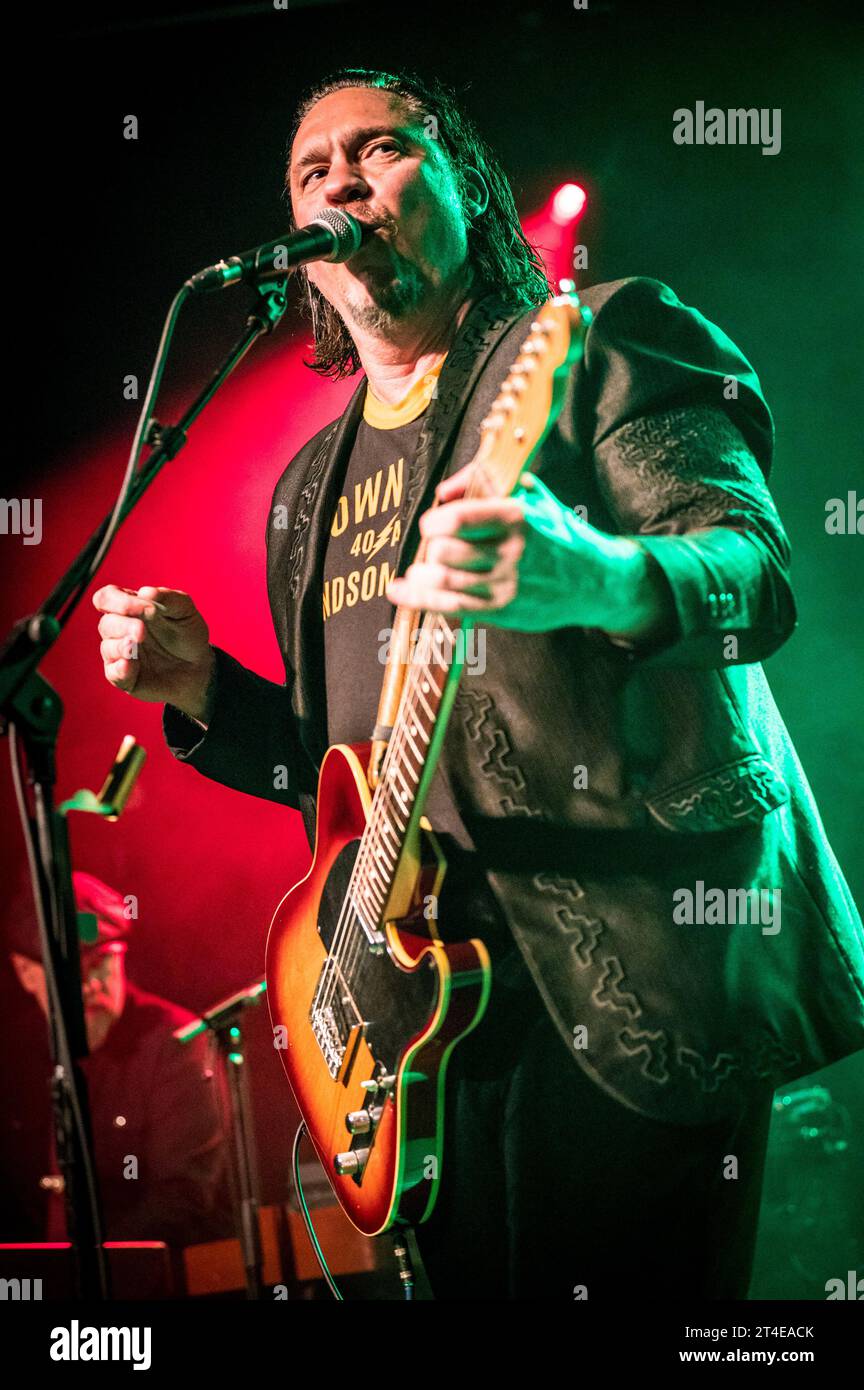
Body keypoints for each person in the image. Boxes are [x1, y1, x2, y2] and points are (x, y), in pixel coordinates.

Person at [91, 67, 864, 1299]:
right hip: (421, 1027)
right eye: (311, 167)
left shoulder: (601, 338)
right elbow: (333, 779)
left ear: (469, 189)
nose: (343, 175)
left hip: (634, 981)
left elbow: (753, 572)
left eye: (382, 149)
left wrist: (596, 577)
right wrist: (202, 694)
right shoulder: (308, 487)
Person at [3, 870, 232, 1250]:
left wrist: (87, 1274)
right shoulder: (16, 1058)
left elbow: (184, 1198)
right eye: (71, 972)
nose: (91, 984)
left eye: (101, 962)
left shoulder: (178, 1043)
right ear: (26, 973)